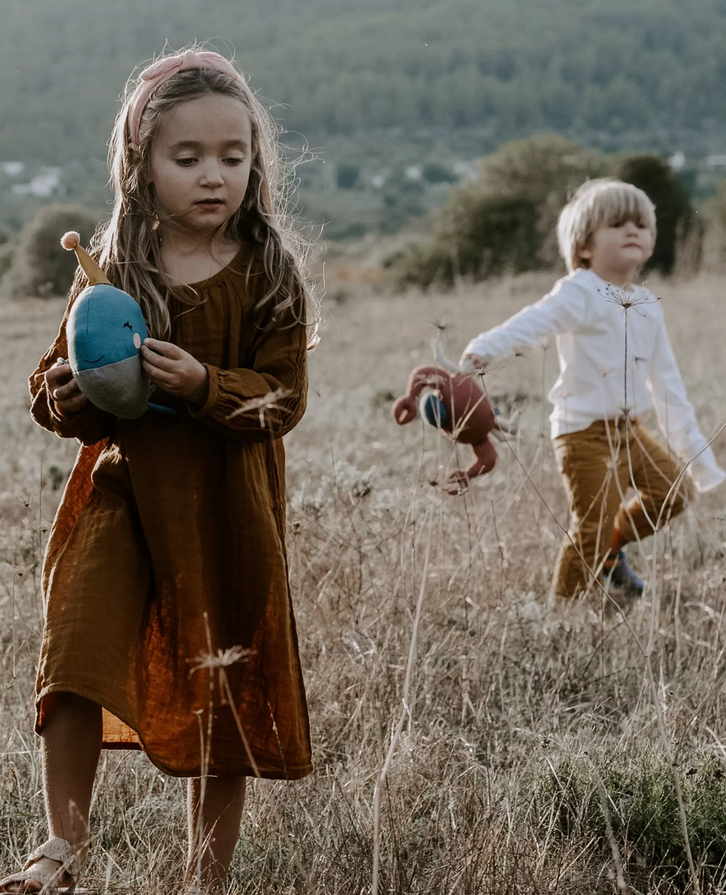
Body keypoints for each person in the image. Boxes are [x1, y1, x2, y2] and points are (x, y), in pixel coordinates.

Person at [1, 48, 317, 894]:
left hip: (225, 512)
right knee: (74, 651)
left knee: (225, 680)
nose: (214, 176)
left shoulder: (268, 274)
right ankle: (60, 849)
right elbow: (59, 395)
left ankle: (203, 878)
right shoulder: (112, 270)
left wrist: (206, 384)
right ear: (138, 166)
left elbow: (283, 399)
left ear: (256, 161)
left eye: (233, 157)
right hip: (123, 497)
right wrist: (68, 393)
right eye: (187, 159)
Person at [459, 178, 725, 604]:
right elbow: (532, 321)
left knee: (673, 494)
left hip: (630, 430)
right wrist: (482, 351)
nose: (633, 231)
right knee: (591, 526)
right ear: (584, 247)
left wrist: (700, 459)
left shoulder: (646, 305)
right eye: (618, 223)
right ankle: (561, 615)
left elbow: (669, 387)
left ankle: (609, 554)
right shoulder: (578, 291)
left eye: (641, 223)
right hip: (582, 433)